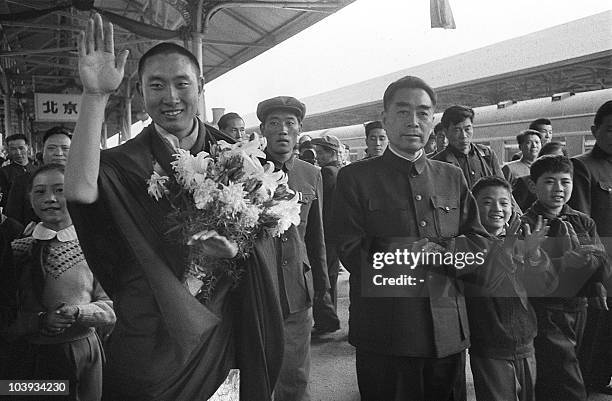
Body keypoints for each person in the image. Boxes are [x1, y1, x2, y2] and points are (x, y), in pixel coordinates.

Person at [64, 14, 282, 400]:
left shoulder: (240, 158)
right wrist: (95, 95)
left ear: (200, 85)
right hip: (150, 333)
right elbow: (80, 192)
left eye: (182, 83)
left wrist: (235, 251)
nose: (171, 97)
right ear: (139, 91)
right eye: (156, 85)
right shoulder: (124, 162)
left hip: (221, 332)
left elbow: (264, 243)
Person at [331, 75, 489, 401]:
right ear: (385, 117)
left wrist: (441, 253)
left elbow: (478, 241)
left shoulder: (451, 176)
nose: (413, 122)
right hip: (387, 334)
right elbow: (349, 249)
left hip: (447, 333)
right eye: (403, 112)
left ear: (434, 122)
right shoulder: (355, 178)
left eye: (423, 113)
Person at [2, 164, 115, 400]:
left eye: (60, 190)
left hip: (84, 354)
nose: (50, 199)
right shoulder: (16, 251)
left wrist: (77, 312)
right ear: (29, 199)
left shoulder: (94, 249)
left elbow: (110, 309)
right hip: (31, 357)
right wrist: (39, 321)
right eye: (40, 192)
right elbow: (6, 312)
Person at [257, 95, 331, 400]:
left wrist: (322, 288)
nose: (283, 130)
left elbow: (316, 237)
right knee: (256, 371)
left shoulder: (311, 174)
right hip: (257, 287)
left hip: (297, 290)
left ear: (299, 129)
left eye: (290, 123)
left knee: (295, 377)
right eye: (275, 123)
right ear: (263, 130)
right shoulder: (245, 168)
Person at [521, 155, 609, 401]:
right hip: (546, 311)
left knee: (568, 371)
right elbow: (526, 275)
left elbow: (601, 262)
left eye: (565, 181)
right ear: (532, 185)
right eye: (550, 181)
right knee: (566, 380)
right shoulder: (525, 226)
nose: (559, 189)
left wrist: (595, 281)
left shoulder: (583, 222)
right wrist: (568, 263)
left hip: (580, 308)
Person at [467, 176, 556, 401]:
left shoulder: (520, 240)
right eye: (487, 202)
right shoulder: (467, 244)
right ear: (473, 206)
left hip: (526, 342)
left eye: (504, 203)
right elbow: (484, 284)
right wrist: (505, 253)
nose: (497, 208)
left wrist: (535, 255)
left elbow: (546, 286)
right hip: (490, 346)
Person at [569, 100, 612, 395]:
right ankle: (588, 383)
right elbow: (582, 226)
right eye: (610, 130)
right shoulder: (582, 167)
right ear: (595, 130)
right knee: (596, 328)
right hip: (603, 264)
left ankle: (600, 379)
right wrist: (595, 276)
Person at [5, 127, 71, 226]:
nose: (58, 153)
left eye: (65, 148)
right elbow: (13, 218)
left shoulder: (84, 181)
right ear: (42, 151)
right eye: (51, 148)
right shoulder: (23, 181)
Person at [310, 134, 343, 334]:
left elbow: (322, 207)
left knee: (324, 278)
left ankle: (327, 321)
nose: (318, 156)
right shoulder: (338, 171)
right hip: (334, 234)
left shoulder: (326, 173)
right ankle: (330, 319)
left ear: (331, 153)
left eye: (321, 153)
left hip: (326, 234)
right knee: (330, 276)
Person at [433, 105, 505, 188]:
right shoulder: (436, 163)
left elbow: (503, 189)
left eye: (467, 129)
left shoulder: (487, 155)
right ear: (446, 132)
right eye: (457, 130)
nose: (463, 135)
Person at [512, 141, 566, 212]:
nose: (554, 163)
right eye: (549, 159)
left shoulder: (569, 183)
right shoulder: (525, 181)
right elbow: (516, 209)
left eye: (558, 159)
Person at [0, 134, 35, 209]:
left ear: (27, 147)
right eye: (13, 149)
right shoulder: (4, 172)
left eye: (21, 148)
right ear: (8, 150)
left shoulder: (38, 170)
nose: (18, 152)